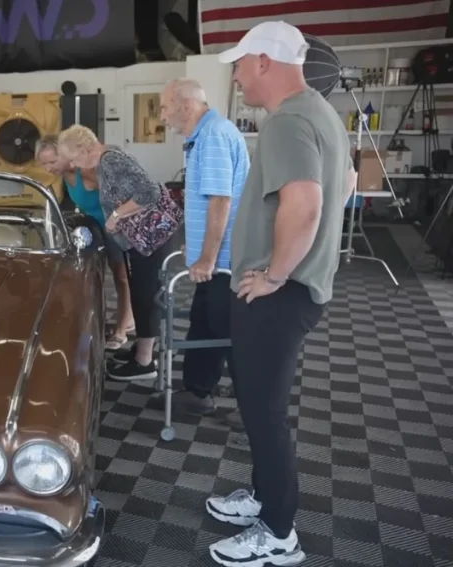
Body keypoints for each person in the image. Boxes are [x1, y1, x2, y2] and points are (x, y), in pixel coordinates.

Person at [206, 21, 355, 567]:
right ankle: (265, 497)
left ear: (265, 62)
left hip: (279, 292)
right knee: (255, 398)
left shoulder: (286, 121)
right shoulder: (319, 112)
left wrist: (273, 273)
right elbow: (346, 186)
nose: (239, 77)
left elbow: (309, 206)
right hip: (295, 288)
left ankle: (278, 532)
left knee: (262, 409)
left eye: (241, 65)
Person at [57, 125, 181, 381]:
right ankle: (141, 350)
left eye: (73, 157)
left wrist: (116, 215)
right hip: (142, 238)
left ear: (83, 149)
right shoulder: (109, 158)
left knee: (146, 294)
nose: (73, 163)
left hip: (151, 237)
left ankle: (144, 363)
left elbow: (150, 191)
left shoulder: (110, 160)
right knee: (140, 291)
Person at [159, 78, 249, 428]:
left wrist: (207, 257)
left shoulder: (212, 136)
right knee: (205, 324)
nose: (163, 116)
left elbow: (221, 200)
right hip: (215, 257)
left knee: (229, 332)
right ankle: (197, 391)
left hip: (224, 262)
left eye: (166, 107)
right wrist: (196, 246)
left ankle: (252, 407)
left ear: (186, 105)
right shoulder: (206, 135)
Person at [35, 134, 136, 349]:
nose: (48, 168)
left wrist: (117, 222)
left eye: (52, 162)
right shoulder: (65, 175)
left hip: (115, 226)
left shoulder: (87, 172)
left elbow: (124, 196)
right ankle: (103, 320)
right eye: (44, 164)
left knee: (122, 276)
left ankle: (123, 327)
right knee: (92, 271)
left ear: (64, 155)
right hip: (97, 226)